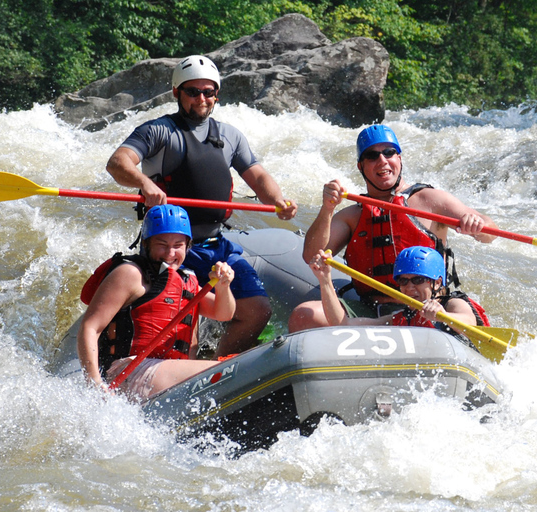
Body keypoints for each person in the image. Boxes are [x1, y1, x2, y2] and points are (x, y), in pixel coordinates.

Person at [105, 54, 298, 357]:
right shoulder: (159, 132)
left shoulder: (230, 136)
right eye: (193, 91)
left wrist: (277, 200)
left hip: (216, 244)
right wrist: (145, 183)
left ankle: (220, 369)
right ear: (176, 93)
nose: (201, 98)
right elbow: (118, 162)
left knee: (257, 310)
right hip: (172, 246)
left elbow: (258, 175)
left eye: (208, 92)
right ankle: (186, 374)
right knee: (185, 322)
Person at [288, 124, 498, 332]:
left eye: (389, 153)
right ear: (361, 166)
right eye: (372, 155)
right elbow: (311, 256)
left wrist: (477, 225)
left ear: (399, 159)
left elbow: (489, 232)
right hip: (373, 310)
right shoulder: (352, 215)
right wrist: (327, 209)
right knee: (304, 316)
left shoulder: (430, 200)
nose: (382, 161)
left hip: (430, 307)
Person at [76, 204, 235, 400]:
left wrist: (223, 286)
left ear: (188, 246)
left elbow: (224, 313)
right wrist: (94, 382)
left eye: (178, 245)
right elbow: (90, 327)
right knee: (230, 369)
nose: (170, 253)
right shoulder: (131, 274)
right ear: (146, 244)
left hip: (164, 376)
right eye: (162, 244)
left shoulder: (186, 281)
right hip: (127, 372)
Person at [308, 246, 489, 345]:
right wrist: (325, 281)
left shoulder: (453, 303)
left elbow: (469, 323)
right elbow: (343, 324)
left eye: (418, 280)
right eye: (403, 281)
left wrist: (444, 316)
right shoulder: (403, 318)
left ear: (438, 282)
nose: (409, 287)